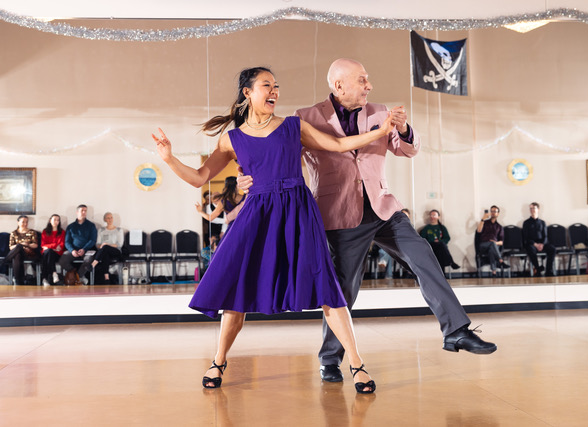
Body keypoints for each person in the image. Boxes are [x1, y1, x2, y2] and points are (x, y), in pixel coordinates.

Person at [239, 59, 496, 384]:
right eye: (361, 80)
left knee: (423, 256)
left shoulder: (380, 112)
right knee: (343, 290)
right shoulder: (306, 117)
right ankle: (330, 359)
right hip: (339, 213)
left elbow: (408, 150)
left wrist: (404, 129)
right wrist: (246, 178)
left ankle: (456, 330)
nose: (369, 86)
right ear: (339, 85)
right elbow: (276, 155)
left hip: (384, 208)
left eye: (368, 79)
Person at [153, 66, 397, 393]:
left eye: (276, 86)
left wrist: (381, 132)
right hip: (257, 214)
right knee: (237, 289)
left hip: (298, 211)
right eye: (267, 85)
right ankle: (219, 360)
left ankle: (356, 364)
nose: (274, 91)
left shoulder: (293, 126)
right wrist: (169, 158)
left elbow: (338, 145)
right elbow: (199, 178)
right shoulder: (231, 140)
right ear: (248, 92)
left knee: (327, 285)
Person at [59, 204, 97, 285]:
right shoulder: (70, 226)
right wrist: (72, 250)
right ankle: (77, 275)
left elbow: (93, 240)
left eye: (85, 211)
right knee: (62, 260)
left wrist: (84, 249)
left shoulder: (91, 225)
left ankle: (78, 277)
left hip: (86, 250)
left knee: (89, 260)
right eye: (82, 210)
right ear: (77, 212)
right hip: (73, 250)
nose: (84, 212)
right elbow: (67, 242)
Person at [1, 216, 39, 286]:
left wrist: (28, 244)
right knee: (17, 254)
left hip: (29, 253)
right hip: (18, 253)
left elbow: (35, 245)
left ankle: (4, 262)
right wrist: (21, 244)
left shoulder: (32, 232)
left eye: (26, 222)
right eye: (23, 222)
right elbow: (11, 247)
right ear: (18, 222)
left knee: (19, 247)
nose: (25, 224)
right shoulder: (14, 233)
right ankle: (18, 281)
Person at [522, 202, 556, 277]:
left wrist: (542, 244)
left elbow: (545, 236)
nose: (532, 210)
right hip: (532, 244)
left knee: (552, 249)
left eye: (534, 208)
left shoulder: (542, 222)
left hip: (542, 243)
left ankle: (548, 271)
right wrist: (535, 245)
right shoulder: (526, 223)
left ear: (538, 209)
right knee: (531, 250)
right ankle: (538, 270)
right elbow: (526, 237)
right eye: (531, 208)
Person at [90, 212, 124, 284]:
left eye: (111, 217)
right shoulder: (101, 230)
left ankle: (94, 263)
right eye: (108, 218)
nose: (110, 219)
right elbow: (98, 244)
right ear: (105, 220)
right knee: (105, 253)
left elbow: (119, 244)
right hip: (104, 251)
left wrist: (107, 245)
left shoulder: (119, 230)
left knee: (105, 247)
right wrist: (102, 246)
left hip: (116, 251)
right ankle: (106, 277)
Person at [477, 206, 510, 277]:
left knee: (492, 249)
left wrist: (495, 243)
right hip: (483, 245)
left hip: (493, 246)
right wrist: (483, 219)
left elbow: (501, 242)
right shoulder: (484, 222)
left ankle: (494, 272)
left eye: (495, 211)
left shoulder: (499, 227)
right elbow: (479, 231)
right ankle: (501, 260)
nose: (493, 213)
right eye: (491, 211)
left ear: (498, 214)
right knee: (492, 245)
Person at [40, 214, 65, 286]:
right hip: (47, 253)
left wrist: (49, 247)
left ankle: (44, 279)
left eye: (58, 220)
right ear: (50, 220)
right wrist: (54, 246)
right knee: (49, 252)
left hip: (57, 254)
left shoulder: (62, 232)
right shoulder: (45, 231)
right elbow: (43, 245)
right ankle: (54, 273)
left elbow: (61, 246)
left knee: (48, 253)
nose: (56, 221)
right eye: (54, 220)